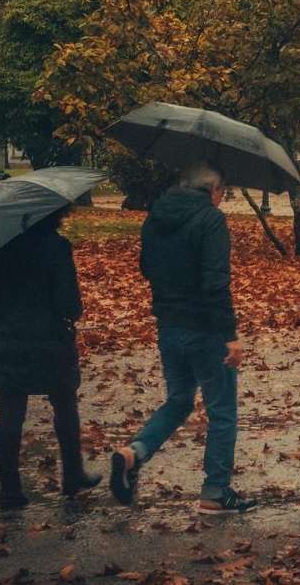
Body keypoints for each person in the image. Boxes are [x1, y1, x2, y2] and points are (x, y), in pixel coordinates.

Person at [109, 162, 255, 515]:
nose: (223, 200)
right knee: (222, 410)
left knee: (178, 401)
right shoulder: (211, 221)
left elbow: (146, 267)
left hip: (169, 324)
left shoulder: (156, 217)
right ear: (213, 189)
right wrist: (230, 336)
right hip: (206, 329)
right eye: (223, 193)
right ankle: (215, 491)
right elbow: (216, 282)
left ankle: (135, 452)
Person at [0, 206, 100, 509]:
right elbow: (69, 303)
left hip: (5, 335)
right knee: (65, 402)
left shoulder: (1, 245)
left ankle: (10, 491)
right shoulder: (56, 247)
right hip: (47, 339)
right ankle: (72, 475)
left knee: (11, 408)